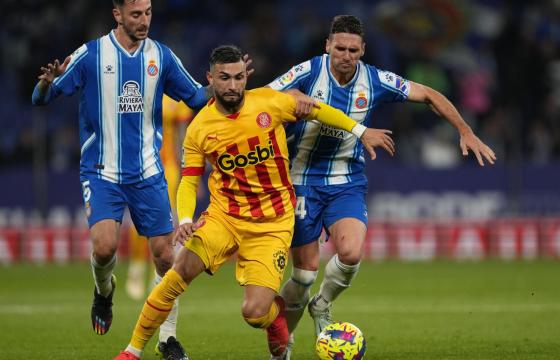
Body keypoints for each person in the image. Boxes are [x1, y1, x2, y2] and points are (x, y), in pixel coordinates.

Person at [113, 45, 394, 360]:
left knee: (254, 313)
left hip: (271, 224)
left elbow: (319, 109)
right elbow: (190, 179)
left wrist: (360, 130)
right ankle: (132, 351)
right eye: (224, 78)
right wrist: (186, 219)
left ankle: (273, 315)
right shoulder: (199, 128)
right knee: (179, 272)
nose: (232, 86)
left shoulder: (271, 103)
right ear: (210, 79)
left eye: (238, 77)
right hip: (224, 217)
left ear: (245, 76)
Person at [266, 15, 497, 358]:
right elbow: (264, 97)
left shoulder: (374, 80)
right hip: (300, 181)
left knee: (351, 253)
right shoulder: (308, 72)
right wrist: (291, 97)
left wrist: (464, 130)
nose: (345, 55)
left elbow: (429, 94)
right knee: (302, 277)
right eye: (340, 48)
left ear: (363, 51)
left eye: (353, 50)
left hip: (346, 181)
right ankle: (281, 349)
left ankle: (323, 305)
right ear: (328, 46)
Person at [31, 0, 209, 357]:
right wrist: (44, 85)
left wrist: (226, 88)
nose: (144, 21)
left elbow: (195, 97)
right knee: (105, 247)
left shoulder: (162, 56)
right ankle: (103, 292)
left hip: (148, 172)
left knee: (165, 258)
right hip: (101, 171)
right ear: (117, 14)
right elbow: (43, 97)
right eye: (136, 15)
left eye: (148, 13)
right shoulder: (92, 54)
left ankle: (166, 339)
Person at [125, 96, 193, 301]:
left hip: (168, 165)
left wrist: (187, 171)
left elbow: (183, 137)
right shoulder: (140, 89)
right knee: (139, 220)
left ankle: (162, 273)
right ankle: (136, 269)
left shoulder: (177, 100)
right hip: (141, 166)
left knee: (166, 222)